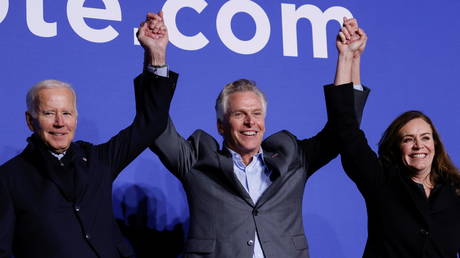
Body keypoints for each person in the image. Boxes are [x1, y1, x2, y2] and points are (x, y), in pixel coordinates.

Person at [143, 12, 369, 257]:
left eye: (257, 113)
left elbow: (342, 131)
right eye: (239, 114)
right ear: (221, 125)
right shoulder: (197, 160)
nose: (251, 121)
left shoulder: (292, 157)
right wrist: (157, 56)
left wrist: (347, 59)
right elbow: (156, 128)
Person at [0, 13, 178, 258]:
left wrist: (156, 55)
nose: (60, 123)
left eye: (67, 113)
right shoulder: (9, 178)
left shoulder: (96, 160)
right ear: (30, 121)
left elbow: (150, 124)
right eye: (49, 113)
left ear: (76, 117)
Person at [327, 18, 460, 258]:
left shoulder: (455, 191)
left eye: (426, 137)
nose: (419, 145)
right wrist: (348, 58)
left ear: (436, 145)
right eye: (408, 139)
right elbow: (347, 132)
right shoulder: (382, 182)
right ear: (397, 147)